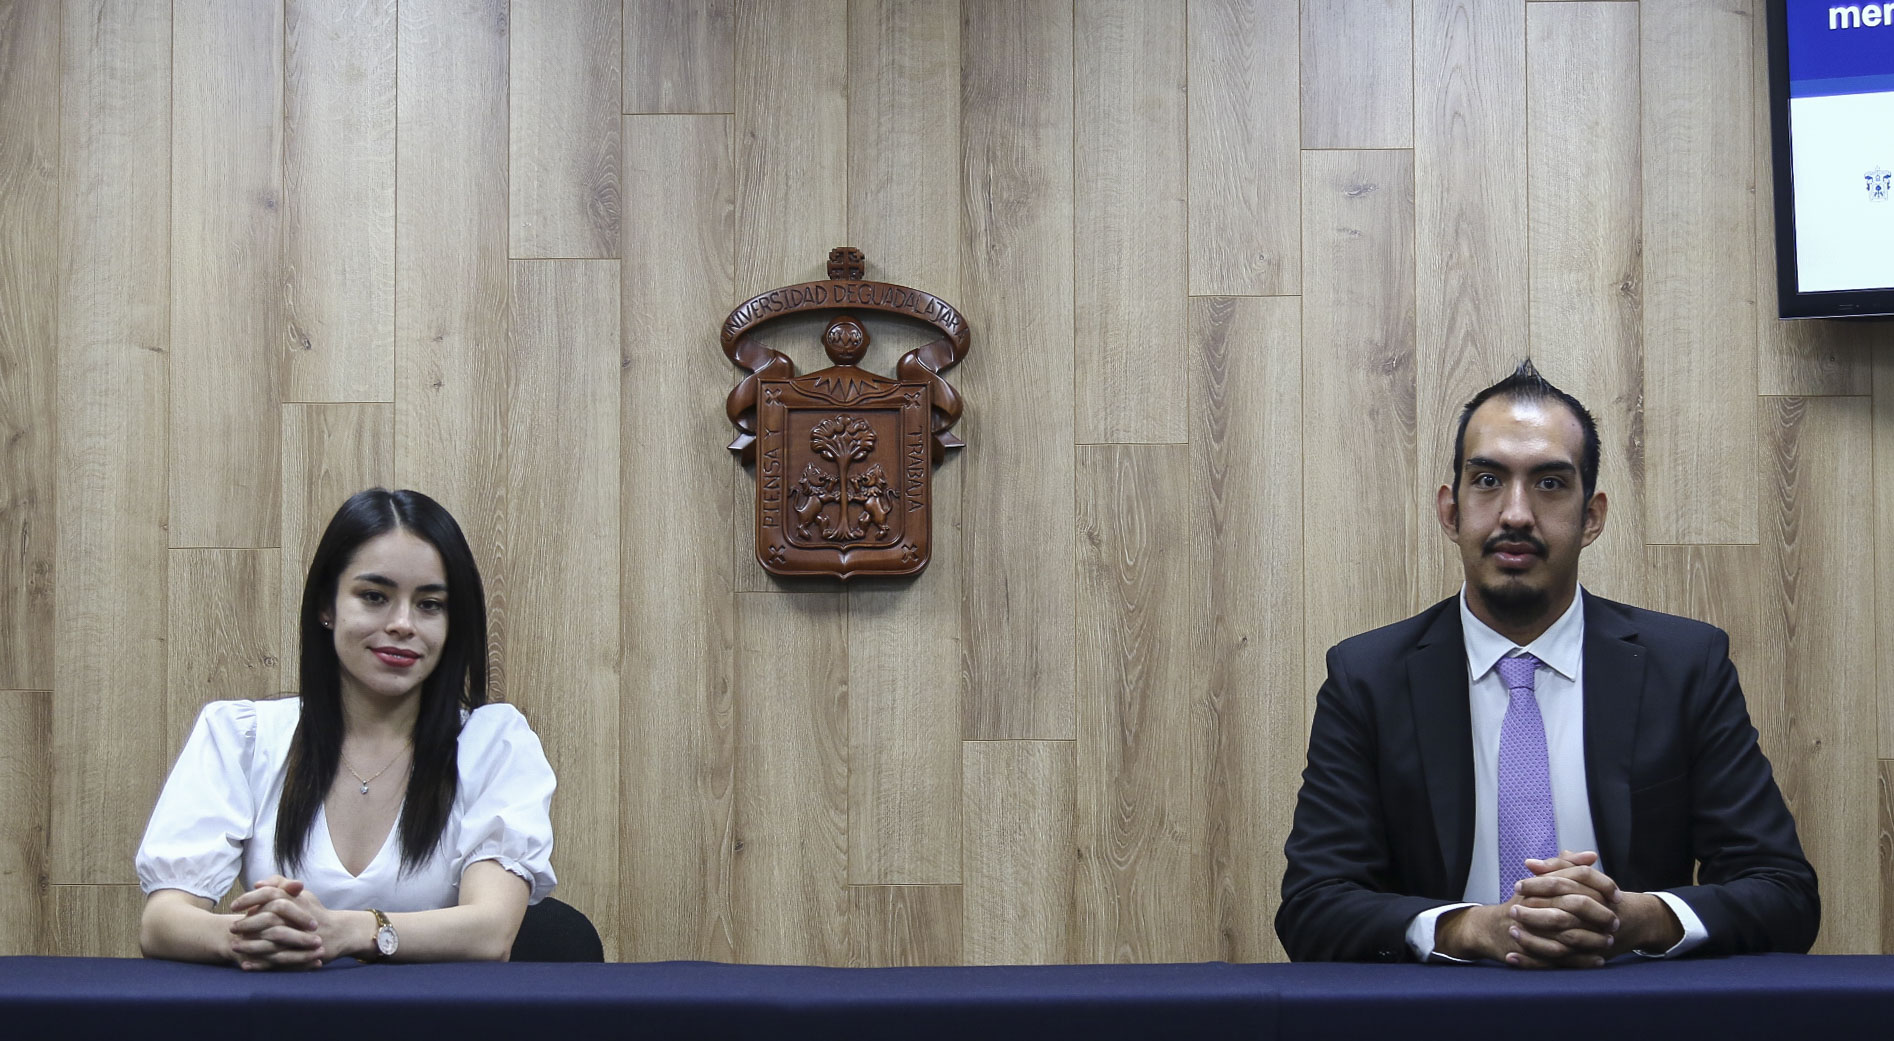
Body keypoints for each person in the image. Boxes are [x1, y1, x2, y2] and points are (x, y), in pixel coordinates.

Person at [1277, 361, 1819, 966]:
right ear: (1450, 512)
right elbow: (1312, 907)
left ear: (1592, 517)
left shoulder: (1686, 667)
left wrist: (1636, 918)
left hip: (1633, 1014)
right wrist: (1467, 930)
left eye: (1550, 483)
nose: (1515, 514)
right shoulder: (1367, 679)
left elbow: (1783, 893)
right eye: (1487, 480)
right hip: (1436, 1017)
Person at [137, 488, 556, 969]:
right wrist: (253, 935)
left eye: (430, 605)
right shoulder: (242, 736)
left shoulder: (495, 743)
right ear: (326, 606)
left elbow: (490, 932)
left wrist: (349, 930)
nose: (402, 624)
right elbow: (162, 921)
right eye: (374, 597)